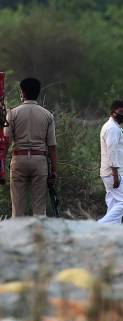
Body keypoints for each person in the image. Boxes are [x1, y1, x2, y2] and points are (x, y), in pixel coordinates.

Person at [4, 77, 57, 217]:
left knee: (18, 207)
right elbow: (52, 146)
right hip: (40, 160)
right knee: (40, 209)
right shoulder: (48, 115)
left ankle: (17, 237)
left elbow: (6, 142)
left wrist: (1, 168)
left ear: (22, 92)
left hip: (19, 159)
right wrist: (54, 171)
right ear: (38, 93)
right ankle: (38, 238)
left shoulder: (12, 113)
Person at [98, 100, 123, 224]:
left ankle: (110, 230)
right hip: (113, 172)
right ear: (113, 113)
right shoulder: (112, 128)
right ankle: (100, 225)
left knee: (114, 203)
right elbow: (111, 150)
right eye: (121, 112)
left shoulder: (113, 127)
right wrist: (115, 174)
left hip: (110, 172)